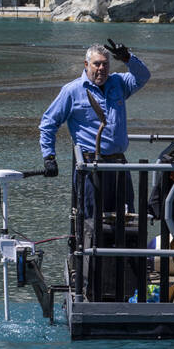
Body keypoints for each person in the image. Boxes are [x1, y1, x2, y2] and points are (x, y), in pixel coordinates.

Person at [40, 39, 151, 219]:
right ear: (86, 64)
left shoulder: (119, 83)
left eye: (105, 64)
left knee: (126, 217)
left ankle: (122, 248)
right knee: (92, 220)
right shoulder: (72, 90)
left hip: (119, 164)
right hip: (90, 165)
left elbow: (143, 76)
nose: (101, 69)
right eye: (96, 64)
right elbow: (48, 123)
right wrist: (49, 157)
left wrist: (128, 58)